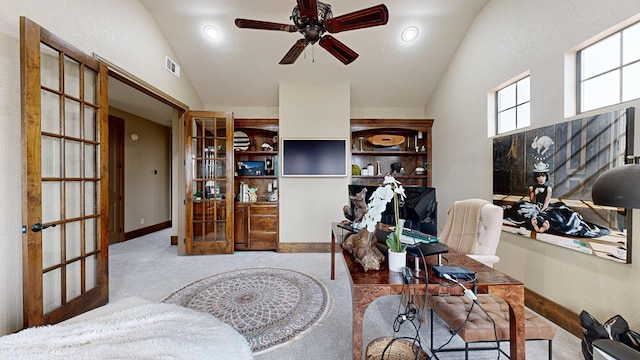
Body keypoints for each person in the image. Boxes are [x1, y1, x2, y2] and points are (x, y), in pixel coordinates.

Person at [503, 163, 610, 238]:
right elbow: (532, 201)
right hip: (535, 205)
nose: (541, 179)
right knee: (521, 210)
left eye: (543, 176)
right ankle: (538, 226)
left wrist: (542, 211)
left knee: (562, 217)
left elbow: (546, 201)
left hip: (545, 206)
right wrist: (533, 197)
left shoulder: (548, 188)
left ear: (546, 176)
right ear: (536, 177)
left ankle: (540, 226)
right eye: (539, 176)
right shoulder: (532, 188)